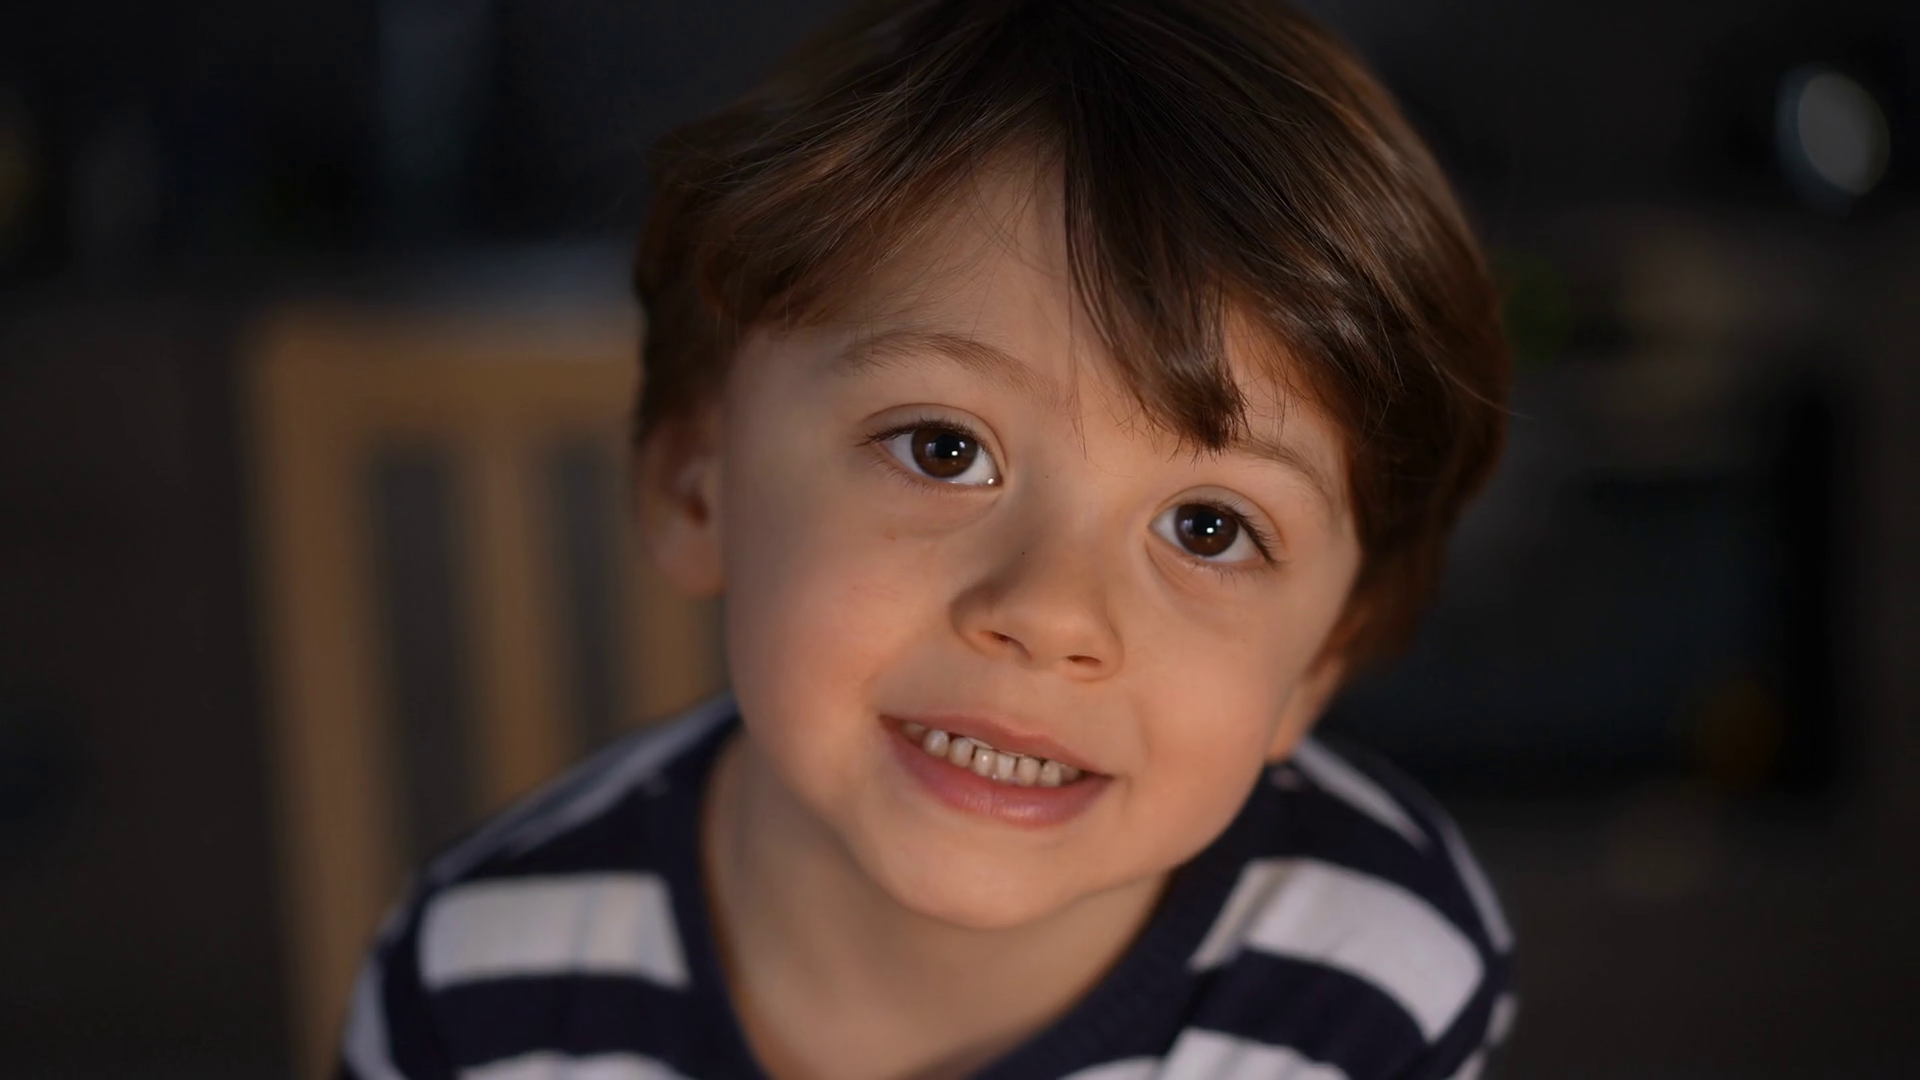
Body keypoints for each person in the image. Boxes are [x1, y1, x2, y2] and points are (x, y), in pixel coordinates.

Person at [339, 0, 1515, 1076]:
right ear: (699, 484)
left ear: (1316, 664)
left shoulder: (1372, 976)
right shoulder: (474, 987)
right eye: (943, 449)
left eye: (1208, 527)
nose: (1052, 612)